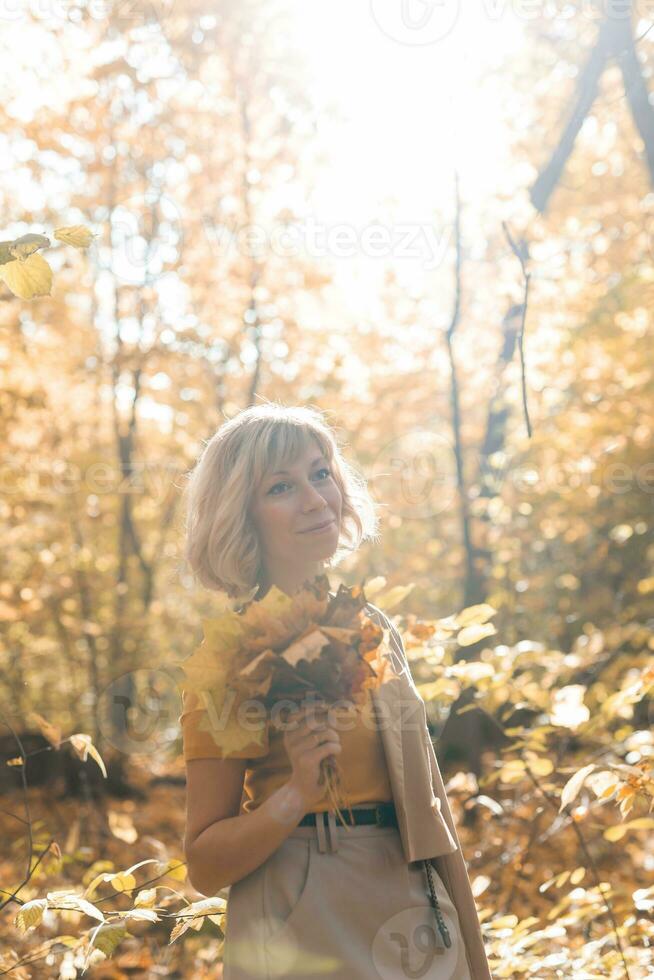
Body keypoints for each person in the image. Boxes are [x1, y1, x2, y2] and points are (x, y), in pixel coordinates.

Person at [178, 402, 492, 979]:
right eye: (281, 486)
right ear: (240, 515)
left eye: (320, 472)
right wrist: (295, 793)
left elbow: (429, 802)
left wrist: (469, 949)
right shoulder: (227, 658)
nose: (315, 498)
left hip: (410, 896)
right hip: (302, 907)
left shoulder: (371, 627)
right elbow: (204, 863)